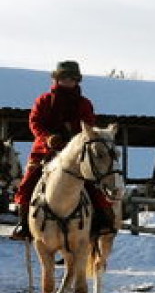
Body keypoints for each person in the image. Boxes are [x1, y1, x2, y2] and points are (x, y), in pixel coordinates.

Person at [11, 60, 116, 241]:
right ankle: (23, 223)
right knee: (29, 181)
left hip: (75, 152)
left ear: (77, 81)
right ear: (57, 79)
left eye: (71, 78)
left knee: (92, 182)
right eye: (64, 78)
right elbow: (34, 122)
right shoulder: (44, 100)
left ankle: (101, 220)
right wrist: (48, 138)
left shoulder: (84, 104)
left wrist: (74, 141)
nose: (68, 81)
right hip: (46, 150)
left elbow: (88, 127)